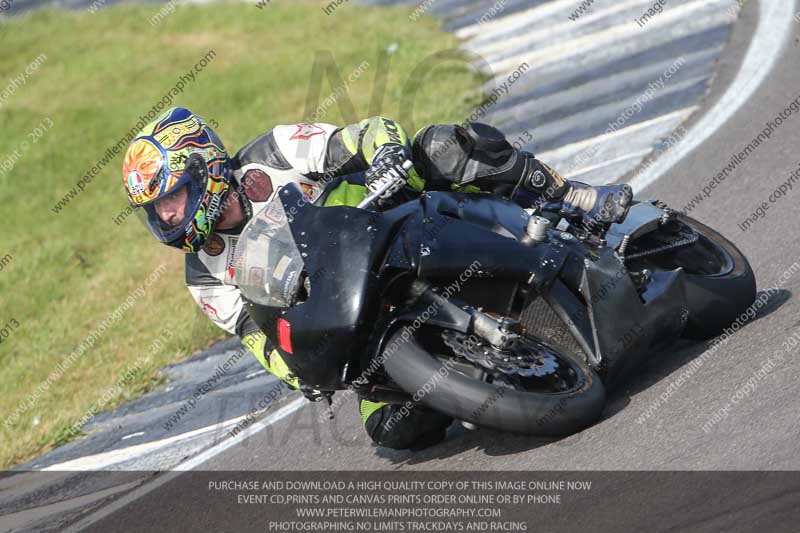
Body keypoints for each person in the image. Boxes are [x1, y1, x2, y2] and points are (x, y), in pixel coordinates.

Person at [122, 107, 632, 450]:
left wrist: (385, 153)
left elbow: (367, 132)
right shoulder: (203, 275)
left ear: (205, 169)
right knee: (392, 431)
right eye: (157, 210)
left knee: (442, 146)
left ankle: (574, 197)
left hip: (394, 224)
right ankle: (475, 373)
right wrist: (296, 370)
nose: (168, 217)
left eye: (173, 198)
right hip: (349, 312)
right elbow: (256, 336)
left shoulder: (272, 154)